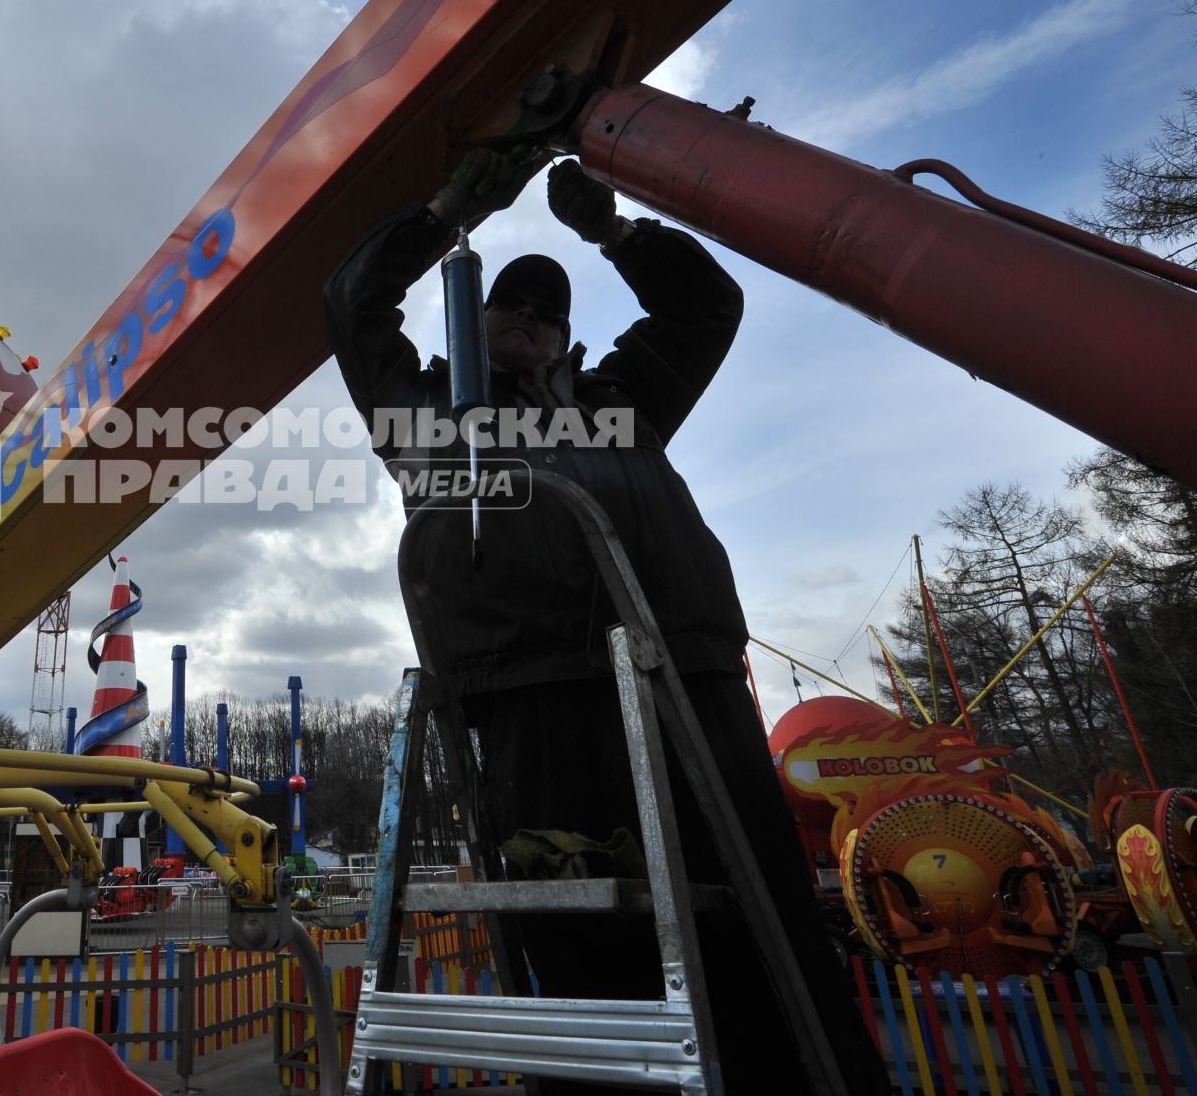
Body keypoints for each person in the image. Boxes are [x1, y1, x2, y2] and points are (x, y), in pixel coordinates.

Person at [323, 153, 887, 1095]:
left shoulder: (621, 405)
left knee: (762, 927)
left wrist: (617, 232)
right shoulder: (427, 416)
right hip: (531, 696)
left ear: (562, 340)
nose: (532, 318)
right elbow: (352, 304)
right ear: (476, 317)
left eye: (549, 313)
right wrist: (444, 210)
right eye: (512, 303)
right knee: (594, 944)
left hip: (689, 682)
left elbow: (706, 309)